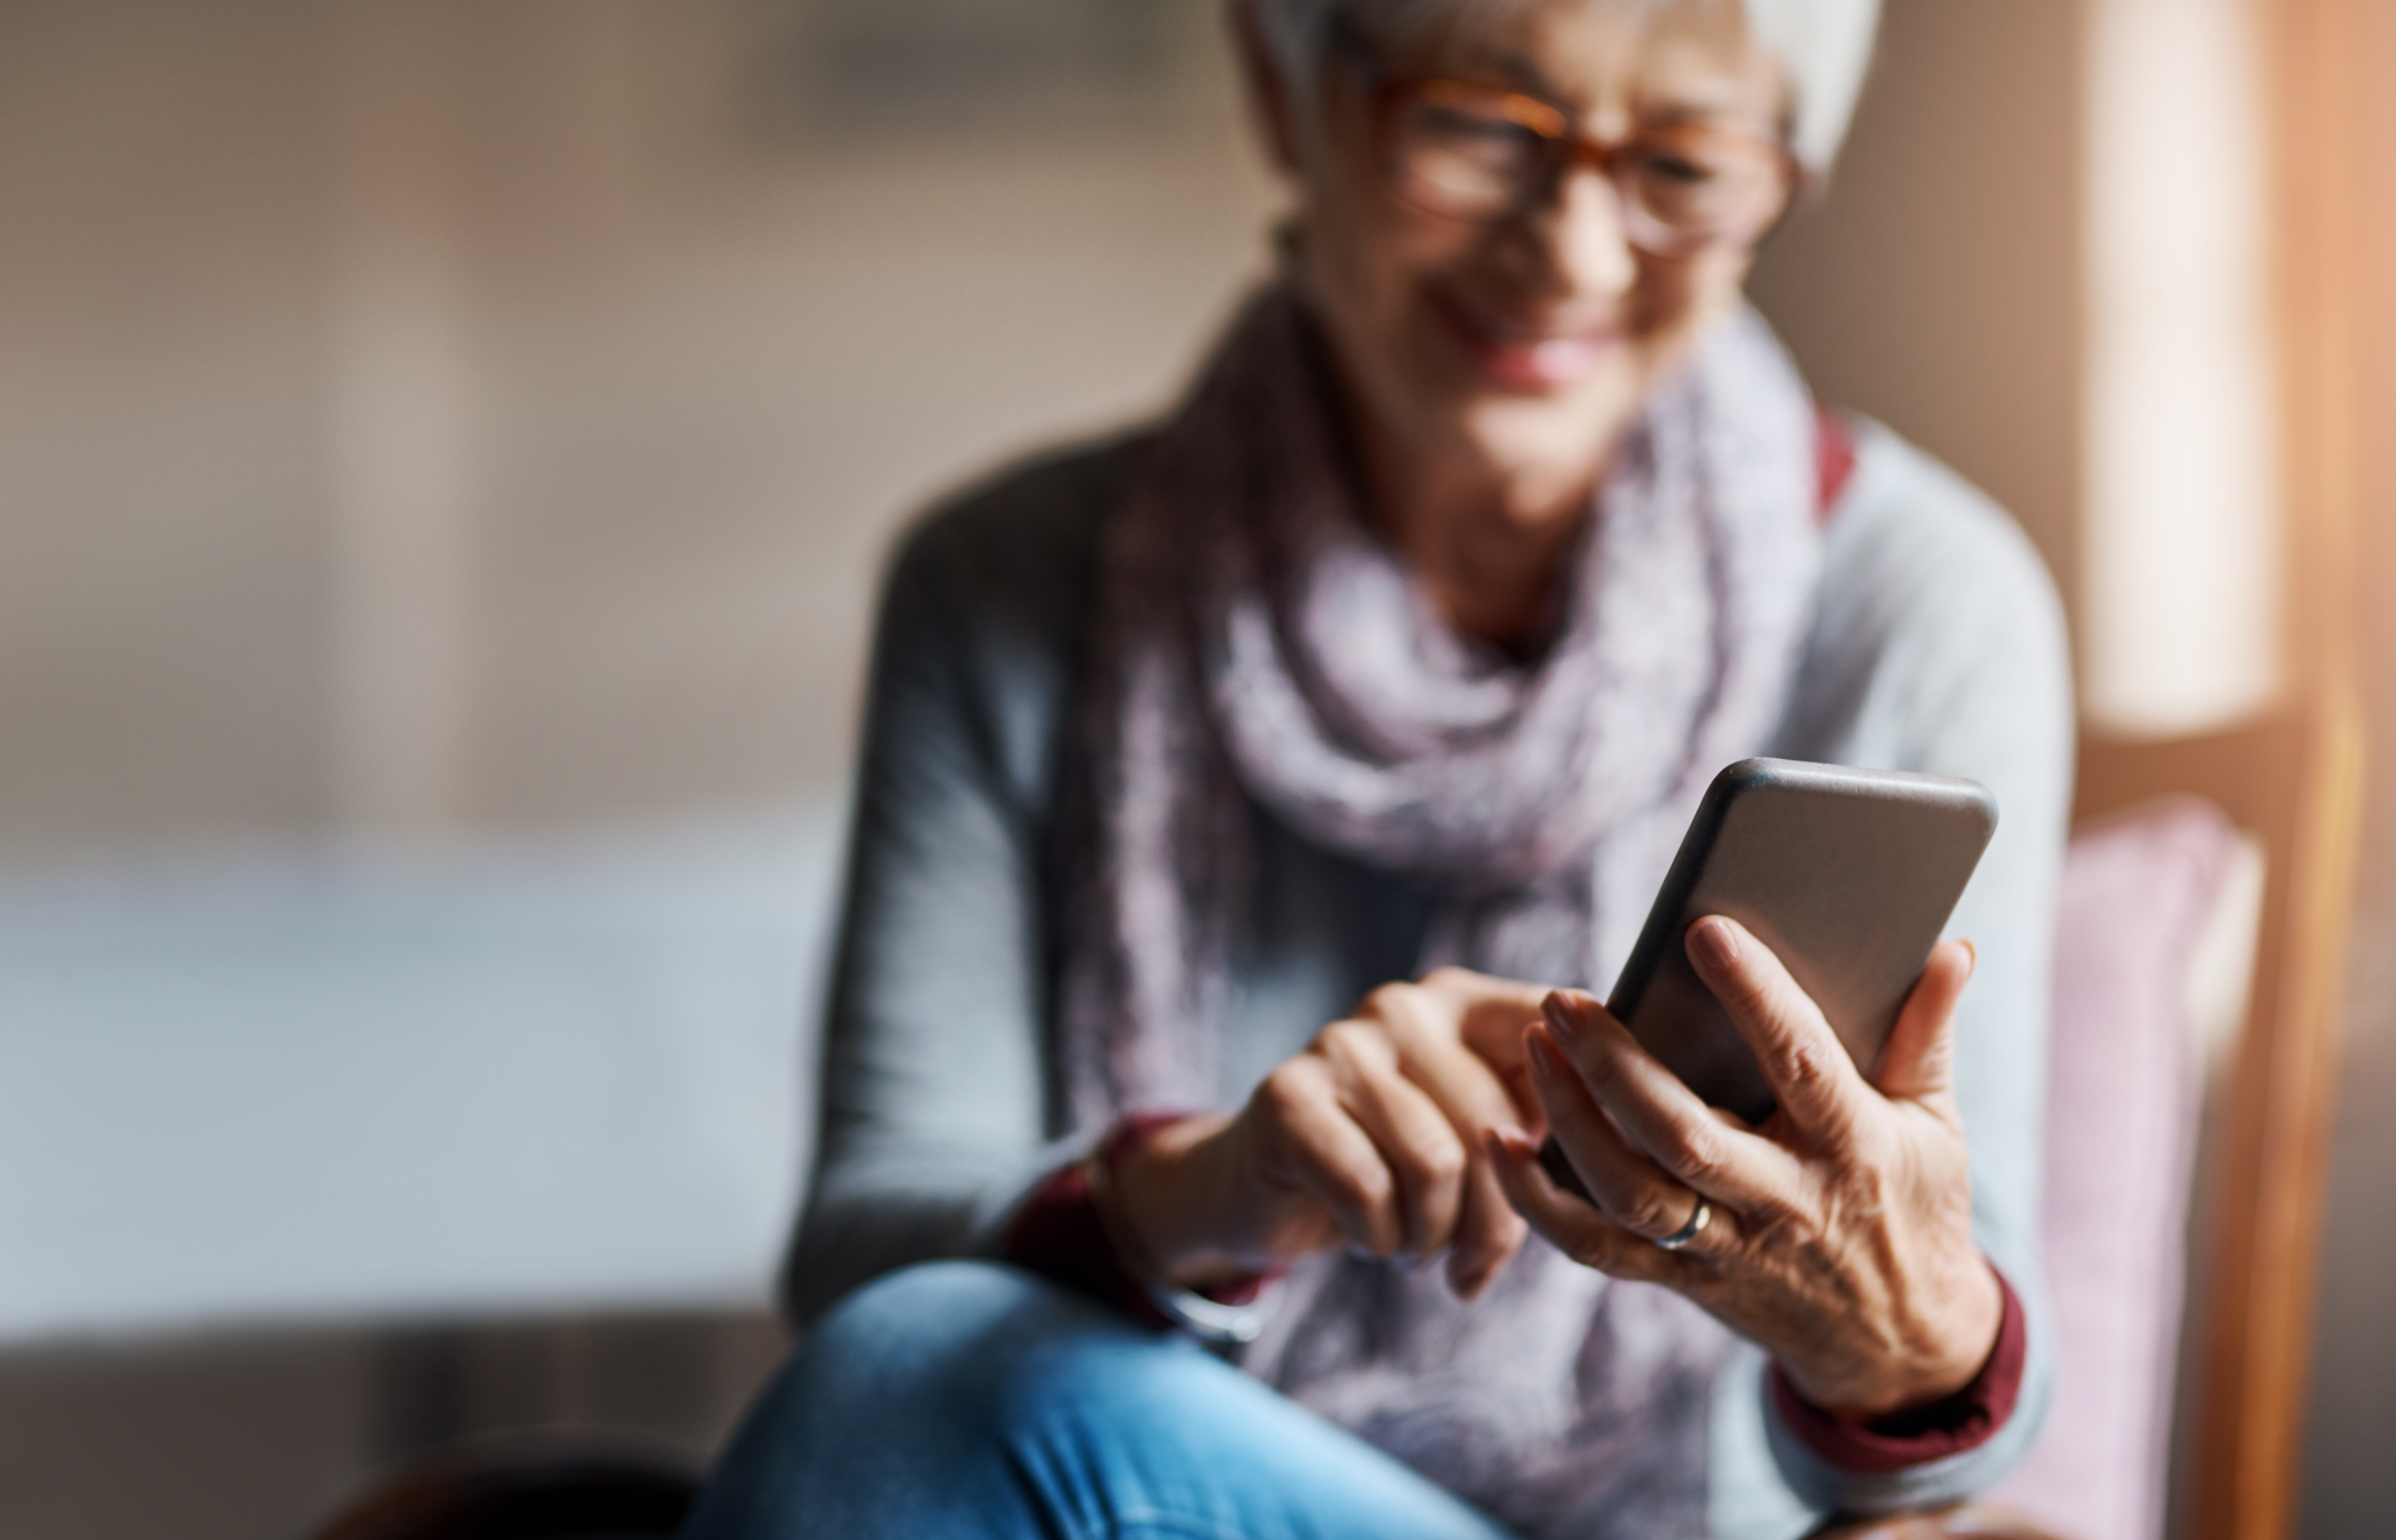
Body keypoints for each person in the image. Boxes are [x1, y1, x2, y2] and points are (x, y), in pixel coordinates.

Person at [682, 0, 2071, 1535]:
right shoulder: (1007, 586)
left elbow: (1953, 1428)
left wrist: (1888, 1316)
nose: (1575, 255)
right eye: (1481, 126)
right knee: (911, 1371)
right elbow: (866, 1260)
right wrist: (1212, 1189)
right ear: (1286, 95)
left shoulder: (1918, 597)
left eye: (1684, 163)